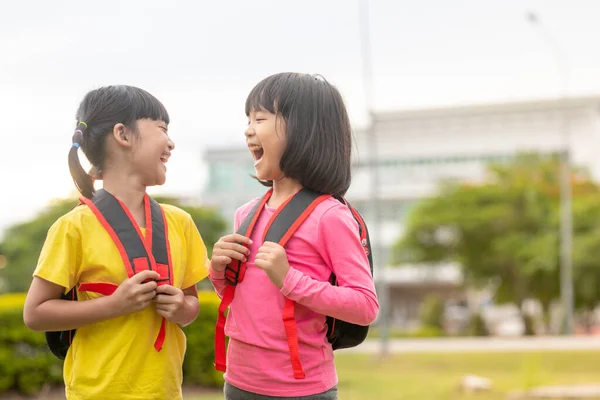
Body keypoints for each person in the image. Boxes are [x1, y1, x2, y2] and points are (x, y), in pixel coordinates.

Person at [23, 85, 208, 400]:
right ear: (122, 134)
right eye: (163, 129)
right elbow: (35, 313)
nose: (171, 142)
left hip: (166, 392)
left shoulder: (180, 223)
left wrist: (181, 309)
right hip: (95, 393)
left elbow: (191, 306)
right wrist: (114, 305)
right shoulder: (74, 227)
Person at [210, 73, 379, 399]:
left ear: (304, 131)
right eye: (247, 119)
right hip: (239, 383)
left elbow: (365, 305)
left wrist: (290, 279)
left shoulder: (329, 216)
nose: (248, 129)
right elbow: (241, 299)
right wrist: (218, 270)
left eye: (260, 118)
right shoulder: (246, 214)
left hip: (302, 390)